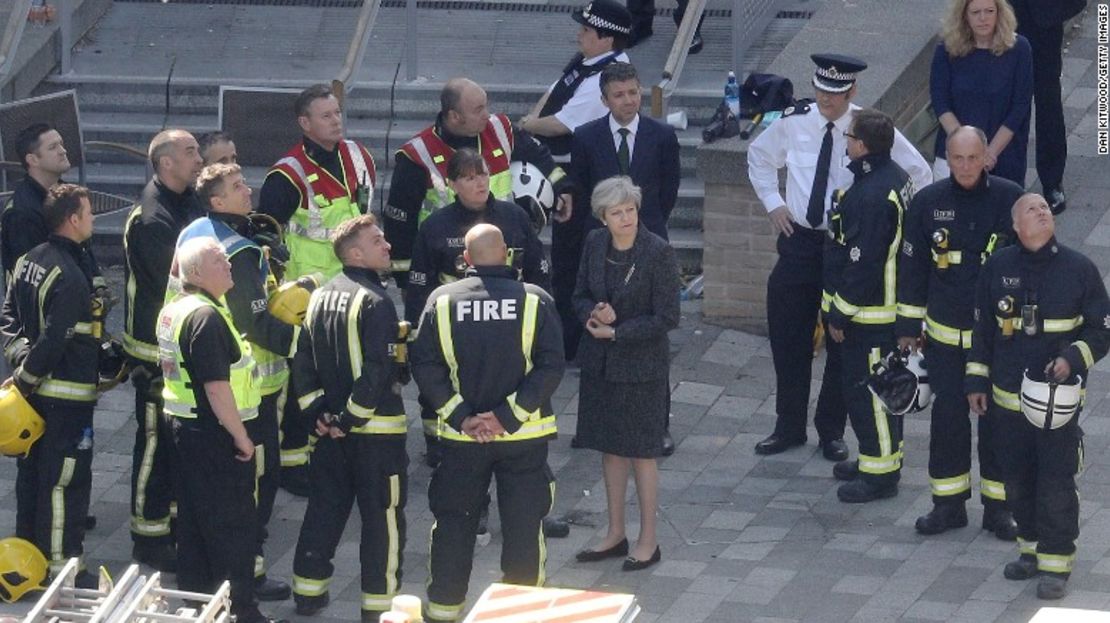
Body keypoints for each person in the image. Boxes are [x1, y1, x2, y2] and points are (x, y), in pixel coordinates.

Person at [746, 53, 931, 463]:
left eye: (835, 93)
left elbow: (918, 173)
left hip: (846, 250)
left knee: (842, 342)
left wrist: (897, 228)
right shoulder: (795, 121)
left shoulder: (868, 127)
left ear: (852, 91)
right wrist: (774, 202)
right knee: (788, 337)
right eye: (820, 90)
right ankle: (787, 425)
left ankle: (830, 430)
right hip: (798, 242)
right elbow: (758, 157)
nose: (826, 100)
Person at [411, 223, 564, 623]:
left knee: (454, 527)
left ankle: (444, 612)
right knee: (524, 530)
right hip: (523, 440)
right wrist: (507, 416)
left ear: (465, 259)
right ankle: (522, 615)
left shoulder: (441, 301)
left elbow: (425, 366)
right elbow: (550, 366)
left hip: (462, 441)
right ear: (507, 255)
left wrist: (463, 417)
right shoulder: (535, 300)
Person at [966, 193, 1110, 599]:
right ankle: (1029, 551)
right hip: (1007, 404)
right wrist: (976, 382)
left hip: (1056, 408)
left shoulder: (1078, 269)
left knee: (1055, 483)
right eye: (1032, 209)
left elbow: (1101, 329)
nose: (1043, 212)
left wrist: (1071, 359)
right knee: (1017, 482)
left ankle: (1056, 563)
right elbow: (982, 332)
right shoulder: (997, 268)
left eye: (1046, 208)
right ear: (1016, 225)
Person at [173, 163, 295, 601]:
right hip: (247, 395)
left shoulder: (194, 231)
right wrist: (303, 341)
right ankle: (250, 578)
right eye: (238, 187)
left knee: (200, 499)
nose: (249, 190)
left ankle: (202, 578)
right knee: (255, 489)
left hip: (189, 398)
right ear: (217, 201)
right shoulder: (238, 253)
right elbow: (257, 323)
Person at [896, 126, 1023, 538]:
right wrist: (907, 328)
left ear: (986, 155)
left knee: (999, 425)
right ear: (946, 160)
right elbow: (913, 267)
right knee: (947, 424)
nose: (965, 167)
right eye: (957, 159)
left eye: (973, 158)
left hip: (998, 341)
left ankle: (999, 510)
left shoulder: (1010, 198)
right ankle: (948, 506)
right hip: (946, 340)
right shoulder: (928, 202)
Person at [259, 83, 377, 495]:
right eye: (326, 116)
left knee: (346, 372)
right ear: (304, 123)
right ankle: (294, 463)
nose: (336, 120)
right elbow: (266, 237)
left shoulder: (359, 158)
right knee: (302, 378)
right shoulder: (286, 175)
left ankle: (334, 446)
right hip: (306, 295)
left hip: (354, 288)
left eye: (337, 113)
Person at [289, 215, 408, 621]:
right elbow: (379, 370)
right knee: (382, 521)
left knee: (324, 510)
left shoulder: (319, 297)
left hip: (329, 435)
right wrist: (348, 418)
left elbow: (301, 361)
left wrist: (318, 415)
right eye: (377, 241)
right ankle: (378, 607)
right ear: (355, 253)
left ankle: (308, 593)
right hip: (376, 436)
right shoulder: (377, 303)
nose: (387, 245)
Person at [156, 237, 280, 623]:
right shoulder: (205, 318)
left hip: (185, 429)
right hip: (215, 436)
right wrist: (241, 437)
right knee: (233, 526)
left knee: (194, 522)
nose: (227, 263)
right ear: (195, 273)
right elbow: (216, 386)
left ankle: (197, 603)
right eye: (217, 259)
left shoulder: (177, 310)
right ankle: (240, 610)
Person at [404, 149, 549, 458]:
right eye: (470, 178)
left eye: (482, 174)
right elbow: (419, 287)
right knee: (444, 383)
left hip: (511, 322)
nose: (480, 183)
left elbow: (539, 272)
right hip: (455, 327)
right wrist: (418, 337)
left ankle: (506, 427)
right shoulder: (435, 227)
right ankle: (439, 442)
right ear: (452, 184)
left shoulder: (514, 218)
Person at [572, 177, 679, 571]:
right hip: (601, 365)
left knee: (642, 453)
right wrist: (592, 313)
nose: (626, 218)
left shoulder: (658, 252)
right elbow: (578, 294)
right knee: (610, 448)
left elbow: (668, 317)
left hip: (642, 368)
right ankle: (615, 532)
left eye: (630, 210)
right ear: (603, 218)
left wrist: (618, 331)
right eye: (617, 213)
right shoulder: (594, 244)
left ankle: (648, 539)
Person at [0, 184, 100, 586]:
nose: (92, 220)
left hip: (36, 401)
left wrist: (19, 363)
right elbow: (56, 340)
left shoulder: (28, 260)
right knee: (65, 484)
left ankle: (29, 556)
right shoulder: (72, 277)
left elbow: (9, 317)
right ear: (73, 219)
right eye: (90, 214)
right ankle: (62, 573)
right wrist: (28, 377)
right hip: (66, 402)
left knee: (33, 479)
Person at [385, 78, 569, 286]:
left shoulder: (500, 129)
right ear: (454, 116)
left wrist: (562, 187)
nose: (487, 115)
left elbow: (540, 156)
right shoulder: (417, 155)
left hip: (502, 261)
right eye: (478, 109)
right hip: (446, 269)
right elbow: (399, 223)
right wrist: (406, 280)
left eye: (486, 106)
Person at [122, 128, 205, 571]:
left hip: (176, 343)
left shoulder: (186, 201)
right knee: (154, 443)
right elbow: (173, 281)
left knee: (172, 445)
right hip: (155, 351)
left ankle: (170, 522)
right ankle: (147, 536)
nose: (199, 158)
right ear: (166, 162)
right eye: (190, 151)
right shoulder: (153, 218)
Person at [822, 109, 914, 503]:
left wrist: (840, 311)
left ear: (861, 145)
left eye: (849, 136)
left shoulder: (873, 194)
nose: (846, 141)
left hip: (871, 315)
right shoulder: (892, 178)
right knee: (883, 391)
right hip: (882, 313)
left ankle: (880, 475)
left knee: (871, 394)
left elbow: (865, 262)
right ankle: (878, 457)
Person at [930, 0, 1033, 187]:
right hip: (956, 152)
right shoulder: (947, 49)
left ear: (999, 13)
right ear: (964, 16)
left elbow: (1020, 106)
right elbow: (940, 102)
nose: (983, 18)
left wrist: (990, 152)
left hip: (1003, 154)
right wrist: (967, 149)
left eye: (989, 11)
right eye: (976, 12)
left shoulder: (1019, 49)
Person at [1010, 0, 1087, 213]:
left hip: (1042, 15)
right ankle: (1010, 179)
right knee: (1008, 98)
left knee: (1047, 97)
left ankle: (1052, 180)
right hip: (999, 12)